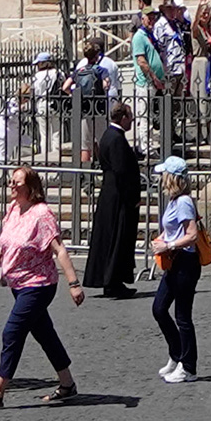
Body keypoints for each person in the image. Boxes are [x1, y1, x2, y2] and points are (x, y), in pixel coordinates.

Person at [0, 164, 81, 410]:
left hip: (39, 284)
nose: (11, 186)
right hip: (18, 284)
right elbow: (2, 243)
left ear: (31, 187)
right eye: (11, 182)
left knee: (12, 332)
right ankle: (67, 383)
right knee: (44, 333)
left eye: (17, 182)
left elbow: (59, 250)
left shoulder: (42, 214)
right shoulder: (13, 209)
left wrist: (74, 283)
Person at [148, 160, 206, 382]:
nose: (160, 179)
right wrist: (163, 239)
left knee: (183, 316)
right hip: (174, 262)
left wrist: (169, 245)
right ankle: (176, 354)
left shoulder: (183, 203)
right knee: (159, 309)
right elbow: (173, 230)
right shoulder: (173, 201)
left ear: (171, 178)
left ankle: (188, 367)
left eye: (163, 175)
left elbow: (191, 235)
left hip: (185, 263)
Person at [86, 102, 143, 297]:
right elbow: (122, 171)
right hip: (119, 197)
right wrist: (133, 197)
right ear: (124, 118)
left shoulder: (108, 136)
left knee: (110, 238)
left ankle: (110, 279)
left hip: (109, 194)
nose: (132, 121)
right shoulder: (117, 139)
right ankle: (113, 281)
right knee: (118, 239)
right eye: (131, 118)